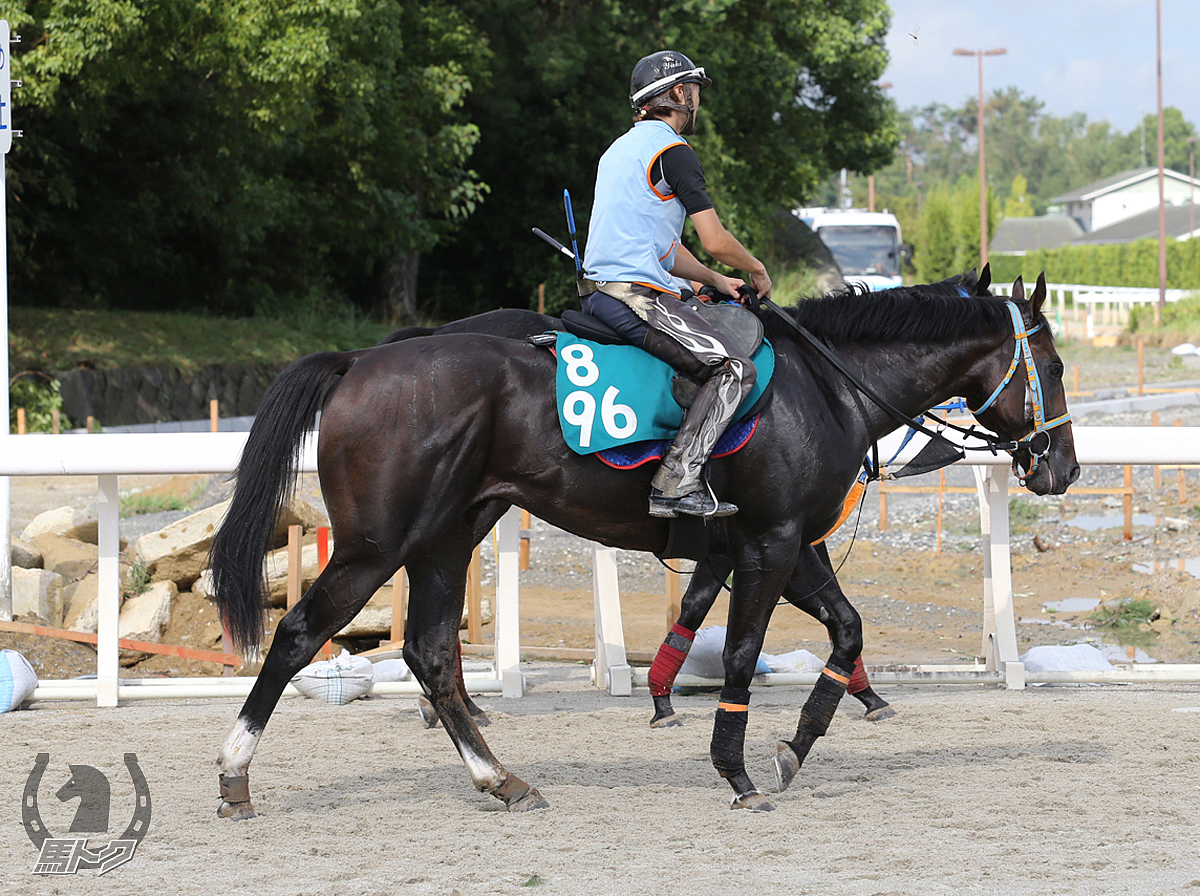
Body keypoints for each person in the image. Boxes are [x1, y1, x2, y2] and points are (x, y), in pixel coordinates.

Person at [580, 50, 773, 519]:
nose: (698, 101)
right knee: (734, 368)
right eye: (696, 91)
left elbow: (662, 249)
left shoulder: (618, 151)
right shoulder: (675, 152)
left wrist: (713, 279)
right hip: (635, 298)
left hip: (601, 291)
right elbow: (715, 238)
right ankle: (677, 482)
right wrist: (754, 268)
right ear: (680, 94)